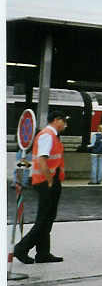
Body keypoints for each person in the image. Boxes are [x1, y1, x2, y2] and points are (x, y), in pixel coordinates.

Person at [14, 110, 68, 264]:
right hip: (46, 181)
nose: (65, 125)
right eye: (64, 121)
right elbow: (42, 160)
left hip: (50, 180)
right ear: (56, 120)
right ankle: (21, 248)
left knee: (47, 218)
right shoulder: (47, 135)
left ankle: (43, 253)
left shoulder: (52, 136)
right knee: (43, 219)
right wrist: (50, 180)